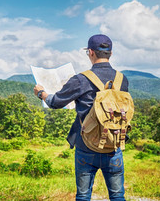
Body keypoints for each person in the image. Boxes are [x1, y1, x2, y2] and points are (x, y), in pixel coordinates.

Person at [33, 34, 129, 201]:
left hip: (86, 147)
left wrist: (41, 93)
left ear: (90, 52)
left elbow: (55, 102)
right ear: (110, 54)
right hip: (113, 145)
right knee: (117, 196)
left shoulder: (81, 79)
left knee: (83, 196)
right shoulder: (122, 80)